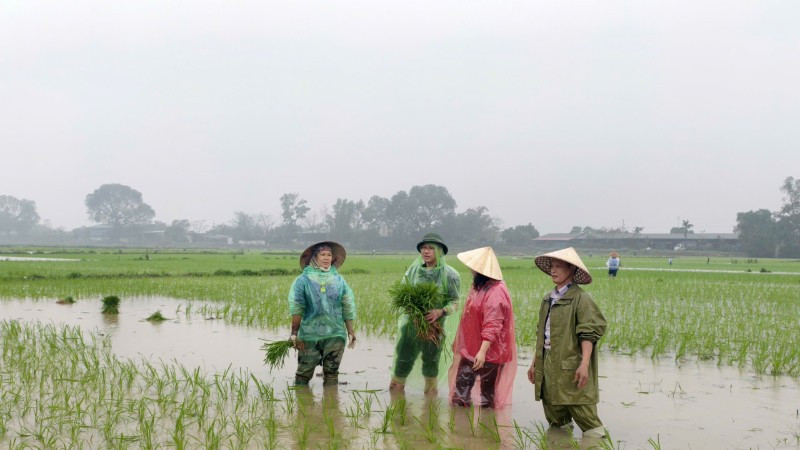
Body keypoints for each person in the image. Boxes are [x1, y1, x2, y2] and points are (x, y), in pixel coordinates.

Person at [527, 247, 607, 438]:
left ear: (571, 269)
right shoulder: (548, 298)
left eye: (559, 267)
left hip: (572, 364)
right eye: (552, 267)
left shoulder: (581, 299)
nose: (553, 271)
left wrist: (584, 364)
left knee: (585, 414)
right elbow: (543, 335)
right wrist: (535, 363)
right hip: (547, 361)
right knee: (555, 417)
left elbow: (588, 334)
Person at [390, 233, 461, 394]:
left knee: (430, 364)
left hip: (434, 329)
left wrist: (440, 311)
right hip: (410, 327)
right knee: (402, 361)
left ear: (440, 251)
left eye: (431, 248)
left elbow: (456, 302)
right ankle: (395, 396)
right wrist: (410, 308)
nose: (426, 251)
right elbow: (403, 292)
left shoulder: (450, 275)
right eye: (423, 248)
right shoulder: (414, 271)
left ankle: (429, 404)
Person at [449, 247, 516, 408]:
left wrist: (482, 351)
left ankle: (487, 429)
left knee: (487, 397)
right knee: (460, 395)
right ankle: (460, 429)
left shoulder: (496, 291)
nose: (471, 270)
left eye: (474, 268)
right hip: (471, 350)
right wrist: (459, 341)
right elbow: (467, 318)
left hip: (490, 353)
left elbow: (493, 324)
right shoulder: (478, 287)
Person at [288, 241, 357, 386]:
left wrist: (351, 331)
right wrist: (294, 333)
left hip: (335, 333)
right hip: (309, 334)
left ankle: (331, 406)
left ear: (333, 258)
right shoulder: (303, 280)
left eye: (329, 255)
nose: (326, 258)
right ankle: (301, 405)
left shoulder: (338, 280)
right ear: (314, 257)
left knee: (332, 373)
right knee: (303, 373)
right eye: (322, 254)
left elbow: (347, 306)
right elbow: (297, 307)